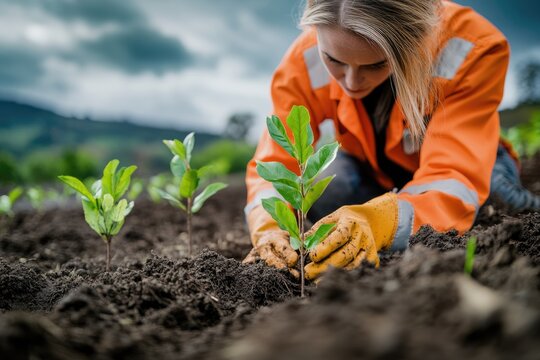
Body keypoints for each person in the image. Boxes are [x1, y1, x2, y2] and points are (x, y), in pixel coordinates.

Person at [243, 0, 540, 280]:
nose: (351, 82)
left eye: (375, 64)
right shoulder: (303, 60)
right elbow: (274, 165)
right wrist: (270, 227)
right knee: (328, 190)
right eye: (333, 60)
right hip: (375, 168)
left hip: (466, 165)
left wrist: (379, 221)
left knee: (485, 198)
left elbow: (453, 176)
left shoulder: (470, 47)